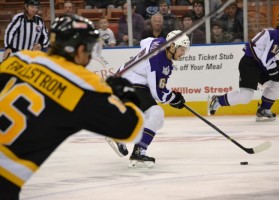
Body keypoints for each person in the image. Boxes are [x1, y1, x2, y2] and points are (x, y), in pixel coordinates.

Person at [0, 14, 144, 200]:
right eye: (90, 48)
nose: (91, 55)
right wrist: (125, 94)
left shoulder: (21, 59)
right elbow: (132, 129)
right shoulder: (84, 87)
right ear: (79, 50)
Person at [115, 30, 190, 168]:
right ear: (172, 46)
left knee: (157, 121)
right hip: (129, 83)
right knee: (155, 113)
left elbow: (144, 41)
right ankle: (138, 150)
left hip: (123, 79)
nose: (183, 53)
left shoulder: (159, 42)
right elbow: (159, 94)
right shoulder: (159, 62)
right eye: (181, 49)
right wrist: (175, 98)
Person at [208, 16, 279, 121]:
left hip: (258, 64)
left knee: (276, 84)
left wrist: (275, 66)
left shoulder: (274, 33)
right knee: (246, 96)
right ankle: (218, 100)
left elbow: (265, 54)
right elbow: (265, 57)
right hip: (249, 64)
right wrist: (274, 69)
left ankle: (264, 109)